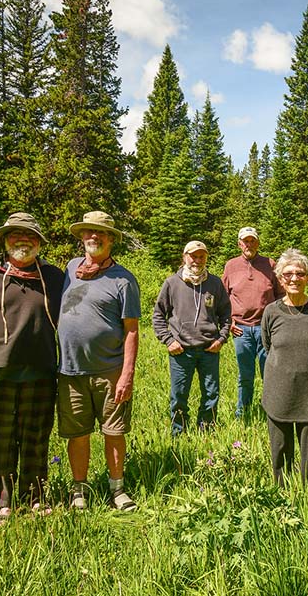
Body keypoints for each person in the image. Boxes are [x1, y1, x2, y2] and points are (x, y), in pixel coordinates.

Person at [0, 213, 64, 525]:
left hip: (42, 371)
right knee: (1, 439)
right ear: (5, 241)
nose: (23, 240)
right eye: (16, 235)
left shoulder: (53, 277)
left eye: (30, 236)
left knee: (36, 438)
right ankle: (1, 501)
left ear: (39, 242)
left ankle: (35, 497)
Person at [57, 211, 140, 512]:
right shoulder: (69, 269)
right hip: (70, 370)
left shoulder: (123, 280)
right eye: (89, 232)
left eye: (101, 233)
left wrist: (127, 374)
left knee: (114, 432)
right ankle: (79, 489)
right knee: (77, 434)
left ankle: (117, 489)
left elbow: (131, 330)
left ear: (111, 240)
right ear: (81, 237)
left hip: (110, 370)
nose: (95, 237)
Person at [260, 249, 308, 509]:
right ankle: (283, 494)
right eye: (288, 274)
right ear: (280, 278)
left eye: (299, 274)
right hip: (277, 391)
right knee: (280, 449)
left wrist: (306, 372)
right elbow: (268, 347)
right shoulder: (271, 312)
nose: (294, 278)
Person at [152, 240, 232, 436]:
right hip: (181, 351)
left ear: (206, 258)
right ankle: (179, 433)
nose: (197, 260)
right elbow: (158, 315)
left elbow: (226, 315)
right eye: (193, 256)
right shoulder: (172, 283)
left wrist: (221, 339)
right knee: (179, 395)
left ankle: (206, 431)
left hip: (209, 350)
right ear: (184, 257)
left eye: (201, 256)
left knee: (211, 395)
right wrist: (169, 341)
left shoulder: (214, 283)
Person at [223, 227, 284, 418]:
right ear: (239, 243)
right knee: (245, 376)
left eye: (252, 241)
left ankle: (272, 412)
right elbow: (223, 298)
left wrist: (278, 323)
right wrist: (228, 322)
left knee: (270, 374)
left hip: (266, 329)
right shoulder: (231, 266)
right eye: (245, 241)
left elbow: (281, 295)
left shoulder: (270, 264)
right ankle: (244, 413)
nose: (249, 245)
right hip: (241, 329)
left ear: (258, 243)